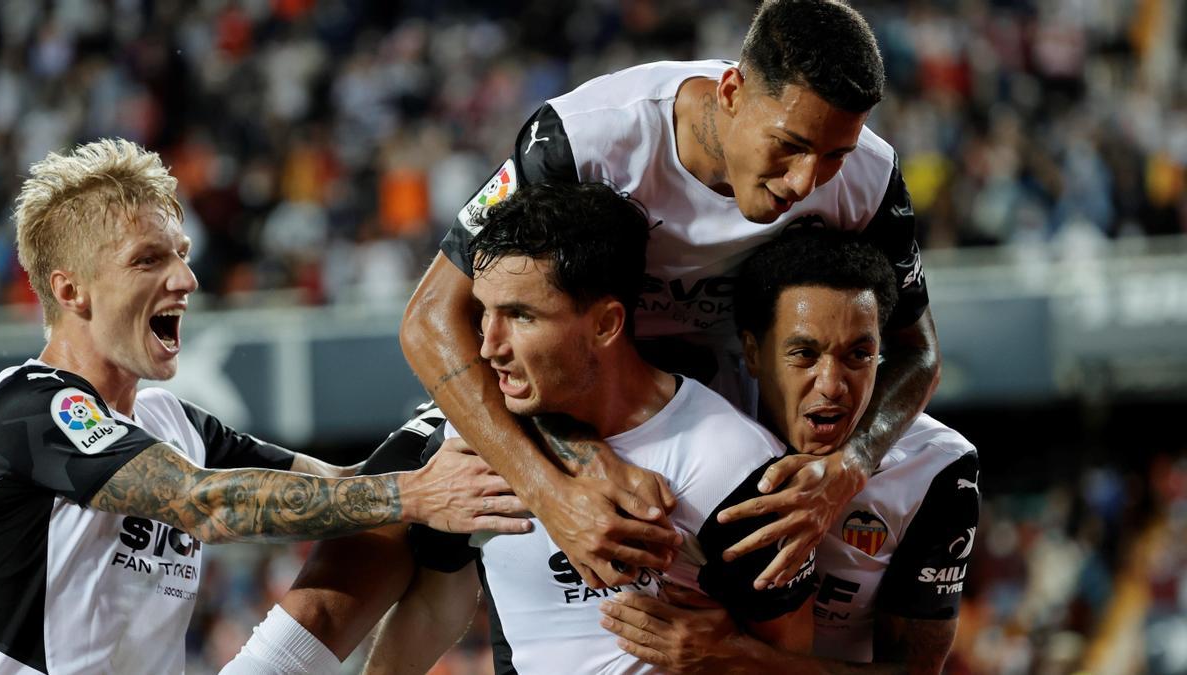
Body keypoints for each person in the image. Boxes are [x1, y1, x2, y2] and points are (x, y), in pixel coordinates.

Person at [400, 0, 941, 592]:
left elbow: (917, 350)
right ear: (731, 91)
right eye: (789, 145)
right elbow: (430, 318)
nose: (805, 182)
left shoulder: (871, 177)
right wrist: (552, 488)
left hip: (727, 424)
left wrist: (849, 467)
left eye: (834, 155)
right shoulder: (585, 137)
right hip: (568, 402)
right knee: (378, 553)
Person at [0, 138, 529, 675]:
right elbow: (208, 506)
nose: (185, 280)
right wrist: (415, 493)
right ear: (71, 290)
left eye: (181, 254)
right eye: (148, 260)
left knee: (396, 500)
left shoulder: (170, 424)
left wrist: (444, 445)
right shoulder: (29, 405)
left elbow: (343, 490)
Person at [411, 181, 818, 674]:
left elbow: (793, 653)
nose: (487, 347)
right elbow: (412, 596)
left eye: (520, 316)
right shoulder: (468, 438)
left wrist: (732, 658)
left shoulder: (732, 466)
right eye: (484, 314)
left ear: (606, 324)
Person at [597, 227, 981, 674]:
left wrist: (739, 659)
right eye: (804, 354)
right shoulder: (700, 414)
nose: (832, 386)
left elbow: (917, 671)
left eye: (859, 355)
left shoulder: (937, 466)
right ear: (753, 353)